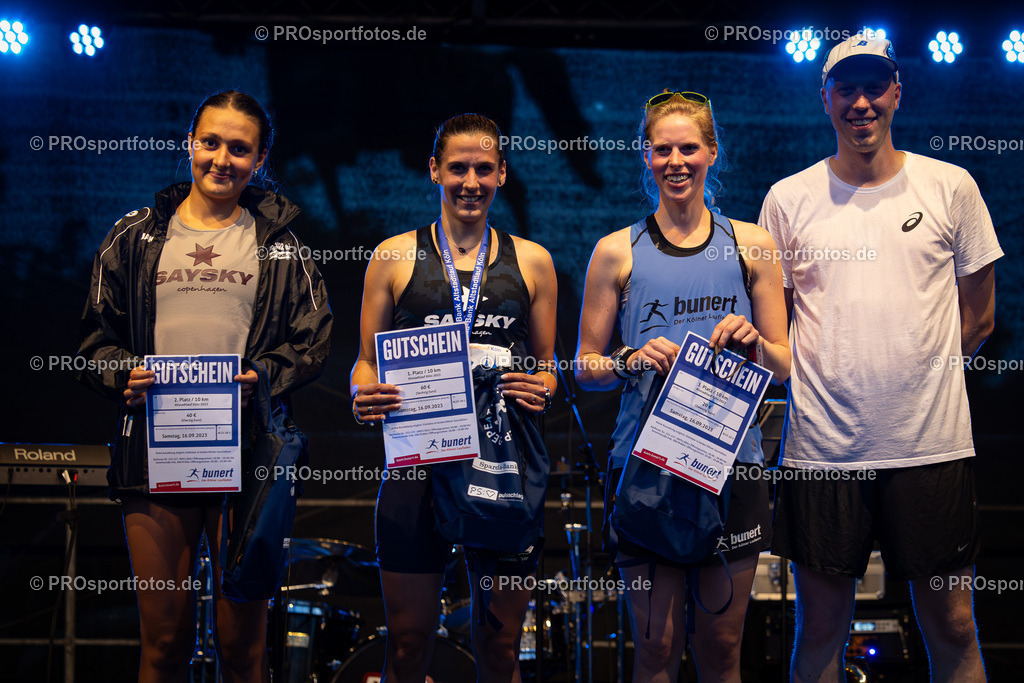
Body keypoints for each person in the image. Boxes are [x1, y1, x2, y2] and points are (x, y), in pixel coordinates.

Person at [759, 35, 1002, 682]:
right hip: (822, 454)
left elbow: (980, 318)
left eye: (874, 87)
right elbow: (776, 331)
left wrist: (918, 381)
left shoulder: (952, 186)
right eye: (847, 89)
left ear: (897, 91)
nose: (861, 102)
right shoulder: (788, 200)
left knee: (952, 623)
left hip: (933, 449)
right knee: (820, 631)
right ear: (826, 100)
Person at [76, 90, 332, 682]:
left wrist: (262, 375)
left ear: (260, 157)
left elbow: (313, 342)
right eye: (210, 142)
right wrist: (123, 371)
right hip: (154, 452)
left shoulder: (281, 245)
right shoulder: (134, 235)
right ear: (191, 143)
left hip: (246, 453)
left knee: (242, 649)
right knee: (164, 644)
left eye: (239, 148)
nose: (221, 158)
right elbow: (94, 340)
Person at [575, 90, 791, 682]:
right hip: (645, 469)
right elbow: (583, 368)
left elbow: (784, 365)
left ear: (712, 152)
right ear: (645, 157)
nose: (676, 160)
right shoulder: (616, 251)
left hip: (731, 466)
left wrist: (753, 344)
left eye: (689, 148)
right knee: (656, 649)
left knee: (723, 651)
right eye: (663, 149)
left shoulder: (752, 245)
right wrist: (630, 358)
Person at [350, 113, 558, 683]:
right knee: (410, 643)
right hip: (418, 465)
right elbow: (365, 363)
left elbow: (548, 368)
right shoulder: (392, 256)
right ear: (434, 169)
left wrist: (542, 386)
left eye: (484, 169)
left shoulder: (533, 260)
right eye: (458, 167)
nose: (471, 181)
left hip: (503, 467)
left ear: (502, 175)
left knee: (500, 647)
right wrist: (362, 391)